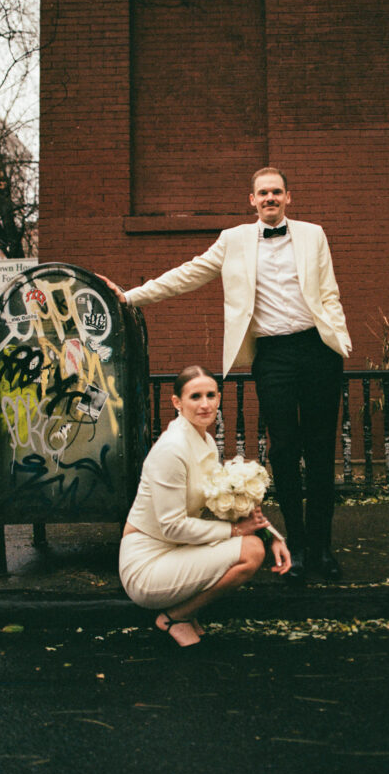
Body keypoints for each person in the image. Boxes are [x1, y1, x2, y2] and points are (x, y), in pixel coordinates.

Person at [103, 167, 352, 584]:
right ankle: (300, 547)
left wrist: (339, 339)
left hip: (317, 351)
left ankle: (324, 549)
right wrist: (131, 296)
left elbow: (329, 292)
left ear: (288, 197)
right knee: (285, 451)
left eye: (277, 192)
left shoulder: (314, 234)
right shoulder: (233, 240)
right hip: (272, 355)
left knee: (321, 450)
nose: (270, 198)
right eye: (262, 193)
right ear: (251, 200)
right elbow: (189, 273)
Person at [119, 365, 292, 647]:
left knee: (254, 543)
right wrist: (236, 531)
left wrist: (270, 534)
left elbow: (227, 498)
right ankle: (176, 617)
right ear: (177, 402)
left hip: (177, 549)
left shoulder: (205, 439)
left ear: (219, 399)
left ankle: (183, 614)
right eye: (195, 396)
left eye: (211, 395)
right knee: (250, 551)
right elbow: (172, 526)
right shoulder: (172, 450)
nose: (205, 404)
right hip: (147, 564)